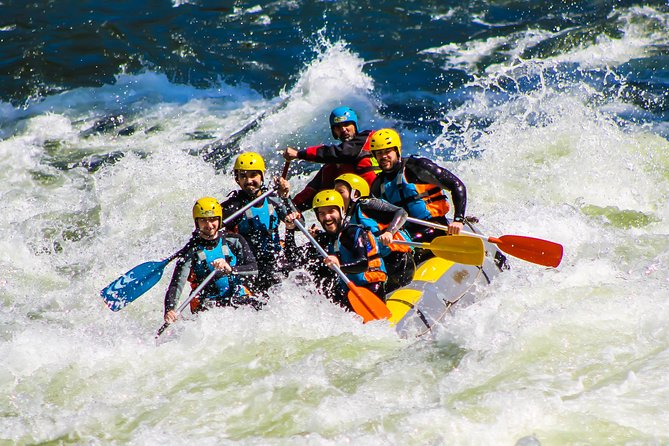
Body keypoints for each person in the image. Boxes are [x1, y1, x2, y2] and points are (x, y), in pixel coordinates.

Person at [369, 128, 467, 264]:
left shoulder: (416, 167)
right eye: (379, 153)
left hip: (436, 228)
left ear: (397, 151)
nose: (383, 156)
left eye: (387, 151)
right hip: (407, 234)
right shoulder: (378, 185)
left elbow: (457, 185)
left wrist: (458, 220)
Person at [163, 197, 260, 324]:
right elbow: (176, 285)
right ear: (197, 222)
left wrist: (231, 269)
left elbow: (254, 269)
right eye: (203, 220)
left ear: (219, 220)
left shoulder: (235, 240)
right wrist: (170, 309)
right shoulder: (190, 251)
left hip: (237, 299)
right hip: (208, 307)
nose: (209, 225)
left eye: (213, 219)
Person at [219, 151, 295, 295]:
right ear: (237, 179)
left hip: (275, 261)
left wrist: (286, 197)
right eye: (243, 176)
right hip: (248, 267)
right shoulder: (233, 207)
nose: (249, 181)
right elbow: (210, 229)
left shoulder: (274, 199)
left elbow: (299, 224)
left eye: (253, 175)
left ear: (262, 176)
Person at [282, 106, 378, 211]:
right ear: (334, 131)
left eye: (346, 125)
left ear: (354, 126)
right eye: (338, 127)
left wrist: (299, 154)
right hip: (354, 212)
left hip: (379, 201)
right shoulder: (334, 163)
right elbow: (310, 192)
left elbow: (343, 152)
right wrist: (287, 204)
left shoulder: (367, 138)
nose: (343, 130)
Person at [334, 173, 415, 294]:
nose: (336, 196)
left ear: (355, 194)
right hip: (379, 264)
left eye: (340, 192)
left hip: (398, 261)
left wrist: (389, 232)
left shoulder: (366, 204)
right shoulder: (344, 218)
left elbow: (401, 213)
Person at [309, 189, 388, 307]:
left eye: (331, 211)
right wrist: (290, 229)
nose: (327, 217)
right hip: (347, 291)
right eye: (322, 213)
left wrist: (339, 266)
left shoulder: (355, 233)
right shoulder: (325, 238)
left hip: (370, 288)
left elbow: (363, 264)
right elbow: (294, 258)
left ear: (342, 211)